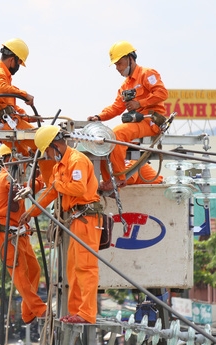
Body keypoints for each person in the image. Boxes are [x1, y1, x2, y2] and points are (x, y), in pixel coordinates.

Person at [20, 125, 102, 324]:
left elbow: (79, 188)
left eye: (47, 151)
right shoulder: (60, 167)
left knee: (86, 268)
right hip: (76, 220)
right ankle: (76, 312)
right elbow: (51, 193)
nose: (47, 156)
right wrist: (30, 212)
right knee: (73, 270)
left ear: (55, 146)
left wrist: (57, 185)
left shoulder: (77, 161)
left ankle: (87, 314)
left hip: (87, 219)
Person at [87, 41, 169, 190]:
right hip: (137, 122)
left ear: (130, 58)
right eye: (116, 65)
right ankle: (109, 180)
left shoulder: (147, 74)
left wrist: (140, 103)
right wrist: (99, 117)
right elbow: (116, 107)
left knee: (117, 134)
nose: (118, 68)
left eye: (120, 63)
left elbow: (162, 93)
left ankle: (118, 179)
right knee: (104, 140)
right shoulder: (126, 86)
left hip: (151, 121)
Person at [0, 144, 47, 324]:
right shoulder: (5, 178)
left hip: (20, 235)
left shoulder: (14, 176)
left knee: (35, 270)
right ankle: (39, 310)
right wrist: (41, 180)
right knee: (20, 275)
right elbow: (22, 189)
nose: (23, 164)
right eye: (19, 160)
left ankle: (28, 312)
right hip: (6, 236)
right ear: (8, 160)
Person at [0, 38, 39, 156]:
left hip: (3, 122)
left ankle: (28, 174)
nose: (18, 67)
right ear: (12, 60)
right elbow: (2, 90)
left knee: (23, 154)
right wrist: (24, 94)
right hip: (3, 123)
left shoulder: (2, 74)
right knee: (43, 142)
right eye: (19, 63)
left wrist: (27, 117)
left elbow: (10, 105)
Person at [99, 159, 163, 193]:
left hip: (156, 189)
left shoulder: (131, 160)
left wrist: (106, 184)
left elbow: (130, 179)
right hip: (147, 190)